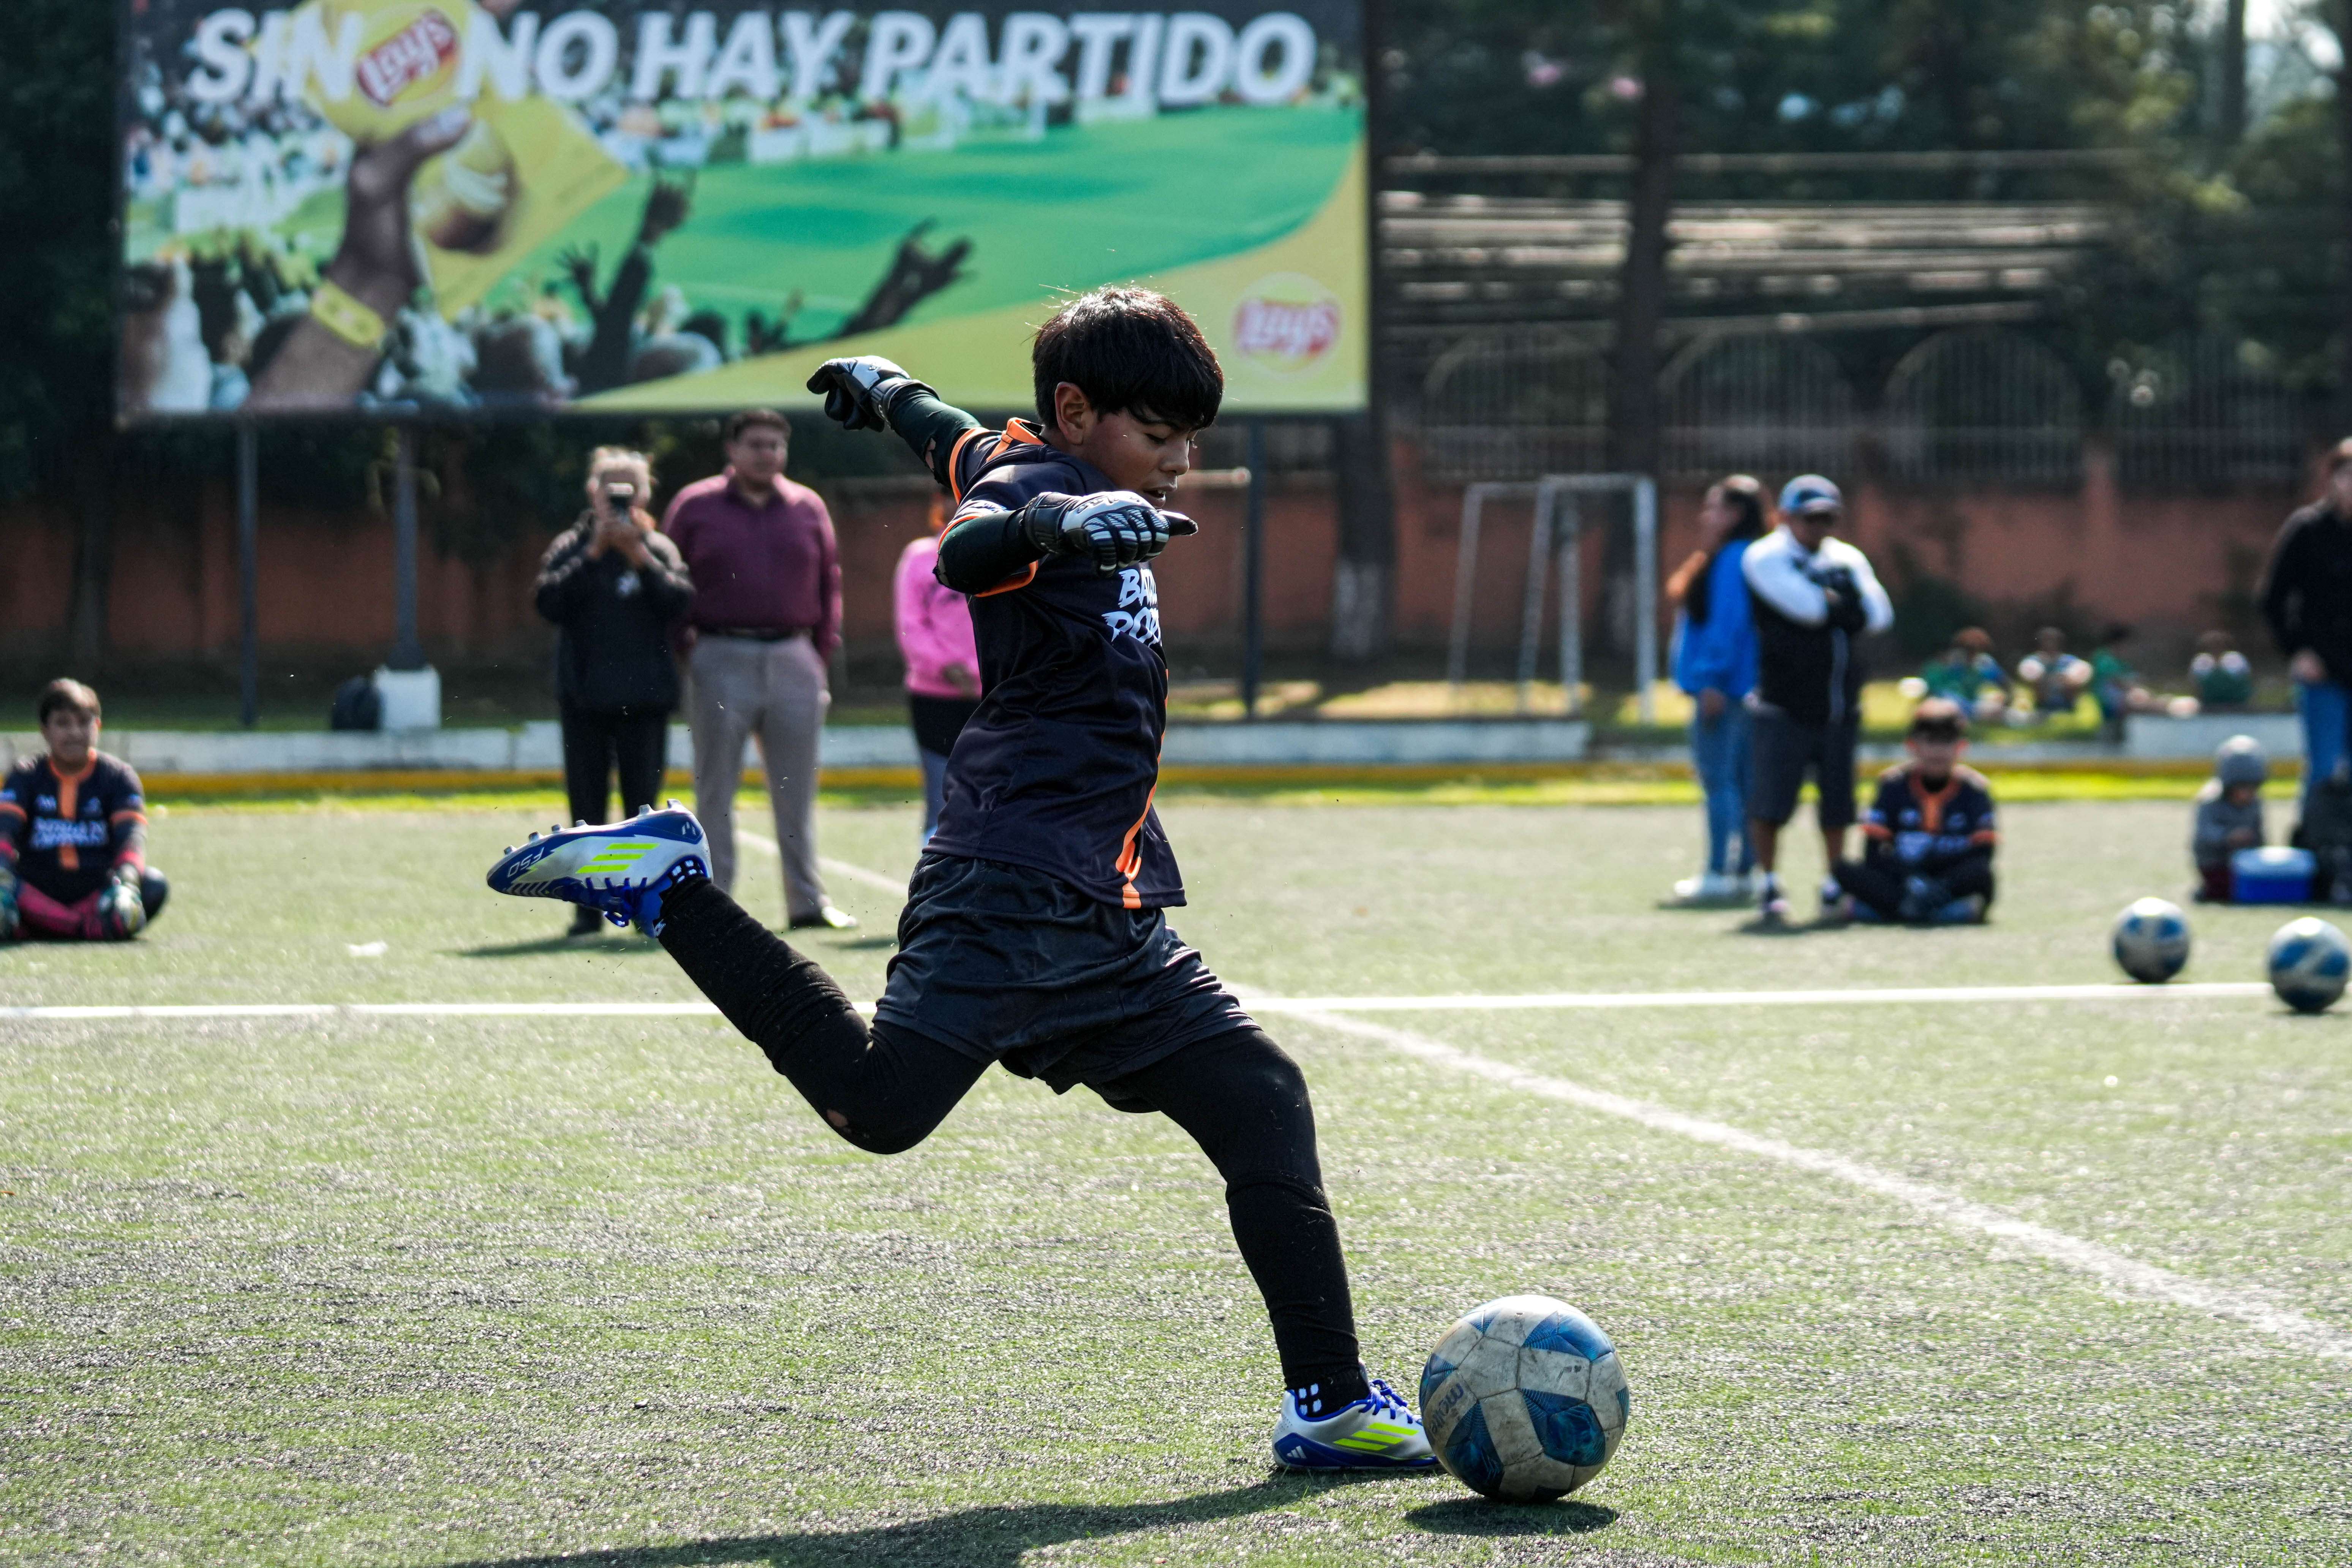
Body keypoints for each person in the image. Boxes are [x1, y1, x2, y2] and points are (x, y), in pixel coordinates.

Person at [486, 286, 1438, 1474]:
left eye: (1193, 442)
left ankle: (1333, 1399)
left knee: (1260, 1094)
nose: (1181, 467)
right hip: (1009, 881)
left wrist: (887, 390)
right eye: (1160, 438)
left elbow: (952, 431)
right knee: (879, 1106)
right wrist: (1055, 535)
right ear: (1079, 413)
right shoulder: (1036, 493)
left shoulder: (1041, 453)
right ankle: (670, 885)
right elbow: (965, 545)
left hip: (1107, 901)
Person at [662, 410, 855, 931]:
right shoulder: (695, 506)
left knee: (797, 791)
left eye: (775, 445)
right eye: (756, 444)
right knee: (716, 790)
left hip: (794, 657)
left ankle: (807, 903)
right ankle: (713, 907)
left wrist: (817, 657)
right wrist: (687, 648)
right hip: (719, 656)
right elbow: (668, 579)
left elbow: (828, 587)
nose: (766, 453)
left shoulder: (807, 507)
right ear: (733, 449)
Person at [533, 446, 696, 938]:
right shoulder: (572, 545)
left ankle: (642, 910)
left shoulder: (659, 546)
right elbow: (548, 601)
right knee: (586, 811)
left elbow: (679, 601)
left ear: (646, 493)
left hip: (645, 699)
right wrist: (596, 554)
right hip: (583, 698)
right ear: (593, 492)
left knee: (642, 810)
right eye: (611, 488)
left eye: (630, 488)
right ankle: (587, 912)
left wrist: (638, 557)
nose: (620, 498)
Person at [1743, 474, 1895, 924]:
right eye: (1810, 518)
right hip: (1783, 705)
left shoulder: (1847, 558)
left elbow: (1878, 615)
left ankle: (1834, 881)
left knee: (1838, 803)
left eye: (1828, 517)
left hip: (1839, 707)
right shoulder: (1766, 556)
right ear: (1787, 517)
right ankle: (1768, 880)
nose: (1820, 527)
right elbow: (1807, 610)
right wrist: (1841, 605)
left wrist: (1837, 604)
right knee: (1772, 802)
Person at [0, 680, 167, 941]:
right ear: (45, 730)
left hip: (99, 894)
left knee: (154, 887)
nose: (75, 732)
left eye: (83, 722)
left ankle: (36, 929)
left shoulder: (119, 777)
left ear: (98, 727)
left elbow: (132, 840)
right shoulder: (25, 775)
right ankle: (90, 930)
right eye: (63, 723)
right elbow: (5, 834)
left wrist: (128, 883)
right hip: (34, 892)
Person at [1665, 475, 1765, 904]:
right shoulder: (1740, 557)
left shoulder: (1733, 559)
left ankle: (1718, 871)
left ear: (1737, 514)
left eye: (1716, 508)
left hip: (1723, 689)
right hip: (1739, 688)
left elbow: (1727, 627)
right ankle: (1745, 871)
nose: (1706, 517)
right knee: (1739, 782)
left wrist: (1711, 680)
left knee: (1719, 781)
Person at [1831, 698, 1996, 924]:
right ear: (1912, 746)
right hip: (1902, 877)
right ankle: (1942, 912)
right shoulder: (1892, 785)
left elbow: (1984, 854)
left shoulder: (1975, 789)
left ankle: (1890, 911)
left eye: (1947, 742)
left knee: (1981, 874)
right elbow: (1873, 850)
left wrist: (1939, 886)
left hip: (1948, 878)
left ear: (1961, 747)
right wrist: (1911, 881)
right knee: (1844, 869)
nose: (1938, 751)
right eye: (1930, 741)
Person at [2260, 439, 2352, 806]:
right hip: (2324, 671)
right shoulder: (2309, 530)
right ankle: (2319, 851)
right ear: (2333, 480)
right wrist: (2298, 651)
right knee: (2325, 769)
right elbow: (2272, 600)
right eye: (2347, 476)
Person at [893, 498, 982, 842]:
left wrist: (978, 673)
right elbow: (910, 626)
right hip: (934, 698)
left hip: (991, 693)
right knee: (942, 798)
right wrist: (948, 668)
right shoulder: (919, 558)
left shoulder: (1003, 556)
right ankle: (934, 884)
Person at [2192, 735, 2268, 902]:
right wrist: (2228, 836)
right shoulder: (2210, 800)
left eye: (2253, 787)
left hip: (2246, 863)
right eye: (2242, 787)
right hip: (2216, 862)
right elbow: (2204, 833)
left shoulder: (2255, 803)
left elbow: (2260, 833)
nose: (2248, 794)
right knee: (2223, 890)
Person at [1920, 628, 2011, 721]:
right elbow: (1931, 688)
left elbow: (2004, 683)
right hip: (1945, 704)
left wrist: (2005, 701)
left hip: (1971, 707)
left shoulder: (1984, 665)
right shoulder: (1943, 665)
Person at [2016, 627, 2091, 719]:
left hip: (2066, 699)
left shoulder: (2070, 661)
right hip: (2043, 701)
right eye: (2046, 640)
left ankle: (2068, 709)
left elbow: (2082, 675)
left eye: (2053, 640)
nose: (2050, 643)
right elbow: (2031, 677)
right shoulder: (2033, 661)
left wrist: (2065, 679)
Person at [2191, 630, 2255, 711]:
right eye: (2212, 643)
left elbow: (2248, 679)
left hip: (2237, 702)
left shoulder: (2236, 658)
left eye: (2217, 643)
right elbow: (2195, 683)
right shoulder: (2201, 661)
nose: (2215, 646)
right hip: (2209, 704)